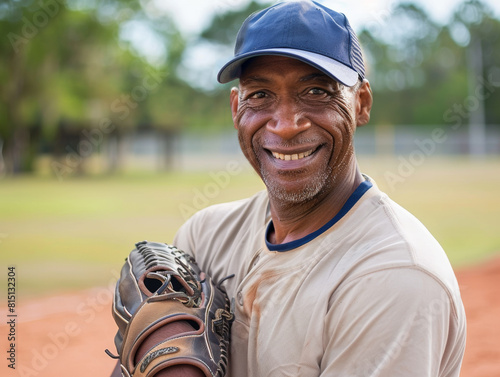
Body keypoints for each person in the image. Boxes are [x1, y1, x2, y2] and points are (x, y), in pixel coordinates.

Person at [111, 1, 466, 376]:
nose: (285, 124)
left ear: (360, 103)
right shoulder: (205, 237)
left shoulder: (394, 277)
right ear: (236, 109)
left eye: (316, 91)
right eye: (260, 95)